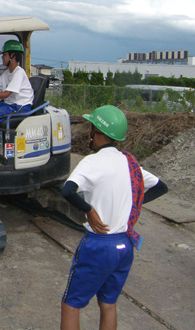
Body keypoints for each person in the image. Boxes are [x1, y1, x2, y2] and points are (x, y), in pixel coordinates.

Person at [60, 105, 168, 330]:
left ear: (95, 131)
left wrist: (88, 210)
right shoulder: (130, 163)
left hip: (99, 246)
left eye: (91, 128)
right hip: (124, 246)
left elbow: (68, 190)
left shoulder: (91, 162)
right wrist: (134, 202)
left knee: (71, 304)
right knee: (108, 303)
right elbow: (160, 187)